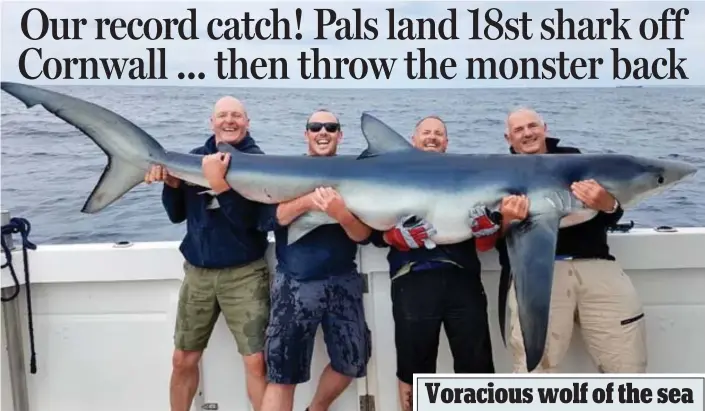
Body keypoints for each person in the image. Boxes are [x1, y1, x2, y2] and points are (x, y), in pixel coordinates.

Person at [368, 115, 528, 411]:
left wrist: (487, 229)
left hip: (463, 280)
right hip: (411, 279)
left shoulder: (467, 177)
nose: (432, 137)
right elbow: (374, 232)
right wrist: (394, 236)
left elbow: (484, 244)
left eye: (439, 134)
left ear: (447, 143)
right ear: (412, 139)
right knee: (413, 370)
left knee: (477, 368)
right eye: (426, 133)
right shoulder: (394, 176)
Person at [496, 107, 647, 373]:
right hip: (538, 274)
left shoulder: (577, 161)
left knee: (627, 366)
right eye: (519, 130)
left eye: (533, 126)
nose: (528, 133)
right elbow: (499, 242)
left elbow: (609, 217)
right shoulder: (500, 175)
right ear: (508, 138)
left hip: (597, 266)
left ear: (545, 128)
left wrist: (608, 204)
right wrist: (508, 220)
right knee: (534, 373)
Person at [144, 96, 271, 411]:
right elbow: (176, 216)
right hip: (198, 272)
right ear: (211, 122)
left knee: (256, 361)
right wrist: (171, 184)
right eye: (223, 115)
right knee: (182, 358)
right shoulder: (193, 161)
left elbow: (254, 223)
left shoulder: (260, 163)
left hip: (245, 274)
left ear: (248, 122)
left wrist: (222, 187)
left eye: (237, 115)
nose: (230, 120)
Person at [257, 110, 373, 411]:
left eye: (331, 127)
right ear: (305, 133)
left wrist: (340, 214)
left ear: (340, 135)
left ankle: (315, 409)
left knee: (353, 362)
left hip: (343, 281)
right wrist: (308, 201)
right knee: (282, 373)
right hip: (295, 283)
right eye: (316, 127)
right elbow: (271, 218)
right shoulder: (287, 172)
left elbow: (362, 235)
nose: (324, 132)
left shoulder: (357, 173)